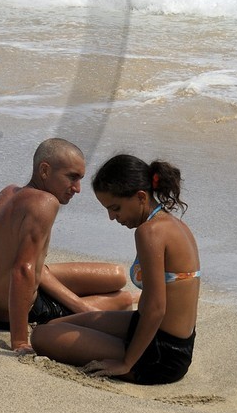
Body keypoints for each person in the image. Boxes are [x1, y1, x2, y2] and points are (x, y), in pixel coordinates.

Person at [30, 153, 200, 385]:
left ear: (141, 196)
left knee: (42, 336)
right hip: (174, 343)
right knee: (54, 326)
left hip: (161, 355)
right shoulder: (175, 225)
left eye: (116, 208)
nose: (112, 217)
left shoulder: (150, 232)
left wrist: (126, 363)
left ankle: (130, 358)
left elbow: (156, 309)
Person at [0, 138, 136, 354]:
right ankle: (122, 301)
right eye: (72, 177)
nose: (77, 188)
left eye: (80, 179)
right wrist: (20, 340)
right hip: (11, 311)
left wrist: (77, 304)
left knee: (116, 275)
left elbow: (25, 263)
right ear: (44, 170)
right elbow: (22, 270)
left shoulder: (9, 192)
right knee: (122, 301)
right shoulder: (45, 203)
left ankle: (83, 305)